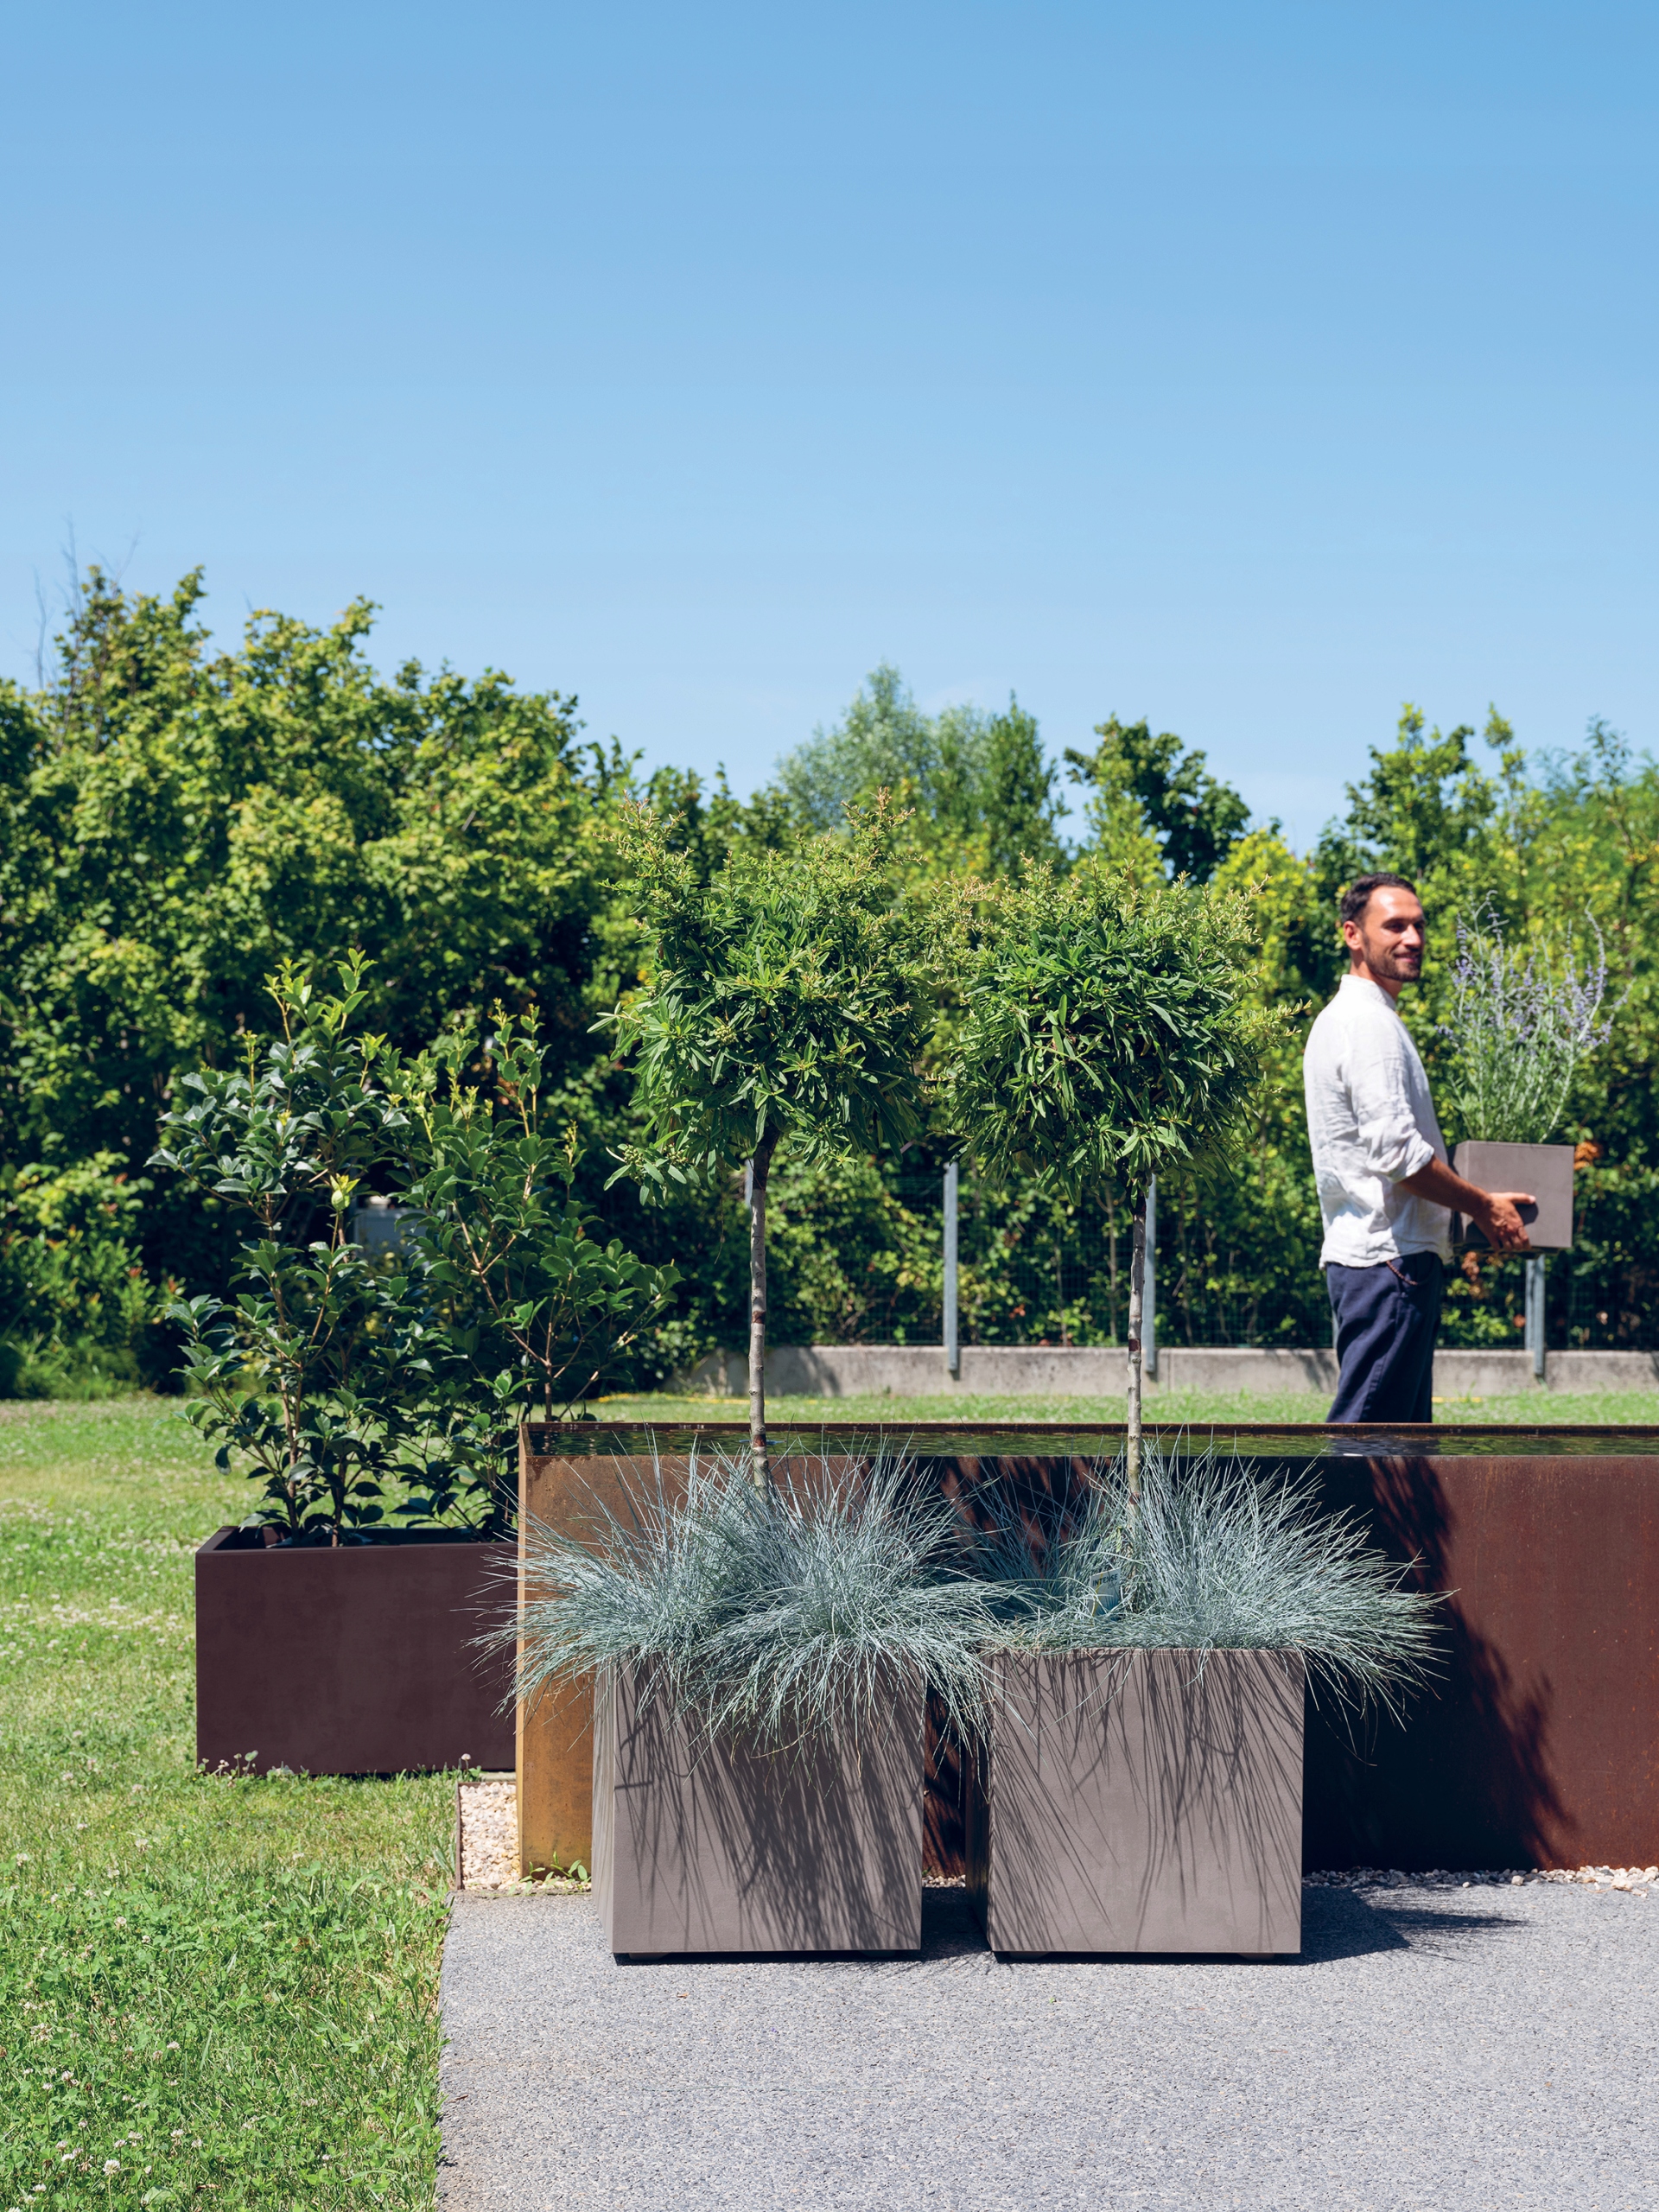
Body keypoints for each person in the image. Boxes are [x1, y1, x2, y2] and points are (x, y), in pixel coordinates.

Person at [1303, 872, 1534, 1424]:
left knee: (1400, 1450)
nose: (1413, 939)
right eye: (1395, 926)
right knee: (1366, 1443)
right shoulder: (1369, 1024)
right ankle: (1311, 1495)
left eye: (1419, 926)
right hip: (1390, 1262)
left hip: (1384, 1261)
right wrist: (1482, 1205)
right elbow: (1397, 1155)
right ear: (1353, 935)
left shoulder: (1360, 1018)